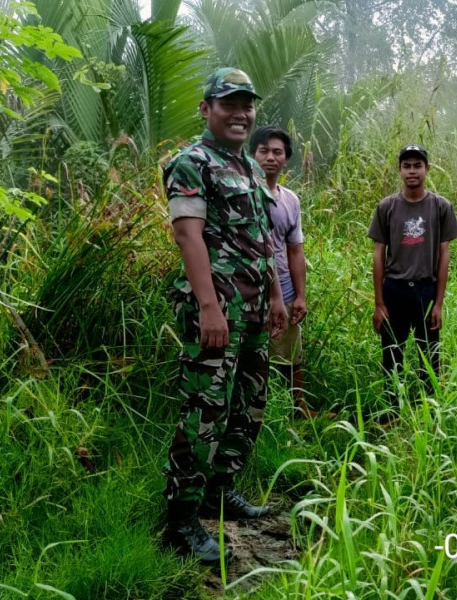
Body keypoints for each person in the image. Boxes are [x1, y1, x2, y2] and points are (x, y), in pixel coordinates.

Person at [160, 67, 288, 563]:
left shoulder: (251, 168)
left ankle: (220, 492)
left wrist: (276, 297)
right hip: (217, 313)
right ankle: (181, 521)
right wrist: (211, 308)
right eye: (229, 103)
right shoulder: (192, 163)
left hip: (256, 309)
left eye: (247, 105)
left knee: (249, 406)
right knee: (204, 413)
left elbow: (264, 238)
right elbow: (187, 235)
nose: (240, 113)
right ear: (206, 109)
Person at [367, 144, 457, 411]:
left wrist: (439, 303)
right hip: (394, 290)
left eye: (417, 165)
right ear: (399, 170)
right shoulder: (387, 207)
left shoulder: (440, 207)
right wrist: (379, 302)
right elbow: (378, 255)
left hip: (426, 291)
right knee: (392, 354)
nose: (412, 171)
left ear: (427, 169)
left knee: (429, 356)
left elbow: (444, 256)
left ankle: (427, 411)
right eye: (406, 166)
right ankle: (392, 410)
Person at [249, 125, 319, 418]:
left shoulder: (290, 199)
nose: (270, 157)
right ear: (252, 154)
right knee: (254, 358)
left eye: (277, 152)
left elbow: (295, 250)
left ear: (286, 158)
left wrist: (300, 295)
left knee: (292, 355)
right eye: (263, 150)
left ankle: (297, 408)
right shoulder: (245, 193)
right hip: (250, 292)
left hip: (286, 291)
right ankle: (259, 414)